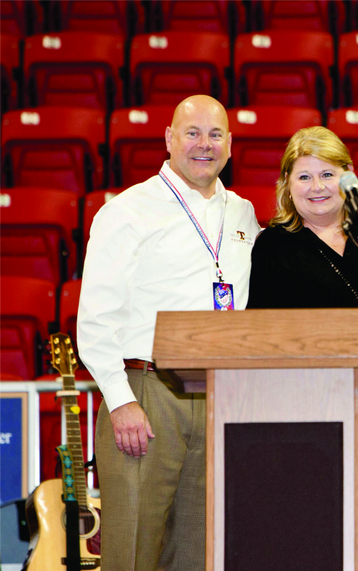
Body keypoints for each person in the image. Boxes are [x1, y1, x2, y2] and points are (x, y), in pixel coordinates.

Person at [77, 95, 261, 570]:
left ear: (231, 144)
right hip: (147, 393)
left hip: (219, 394)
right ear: (169, 139)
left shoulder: (242, 214)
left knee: (200, 552)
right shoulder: (128, 210)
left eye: (216, 134)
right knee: (132, 552)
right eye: (192, 132)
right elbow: (96, 318)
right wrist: (120, 401)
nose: (204, 144)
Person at [246, 126, 358, 494]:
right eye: (304, 176)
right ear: (287, 184)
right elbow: (260, 334)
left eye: (327, 175)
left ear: (348, 178)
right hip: (302, 415)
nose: (316, 186)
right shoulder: (273, 246)